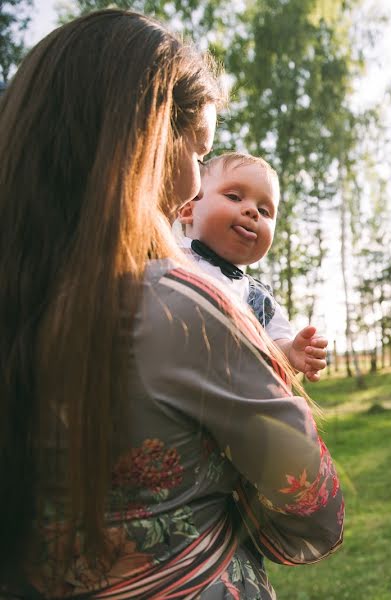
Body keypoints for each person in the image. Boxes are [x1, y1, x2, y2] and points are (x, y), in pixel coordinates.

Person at [0, 10, 342, 598]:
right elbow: (311, 504)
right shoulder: (175, 308)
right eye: (196, 152)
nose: (190, 184)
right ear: (139, 144)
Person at [178, 152, 326, 380]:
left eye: (265, 211)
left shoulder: (259, 299)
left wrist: (292, 354)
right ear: (188, 210)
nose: (252, 211)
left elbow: (275, 348)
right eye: (234, 197)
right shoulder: (168, 255)